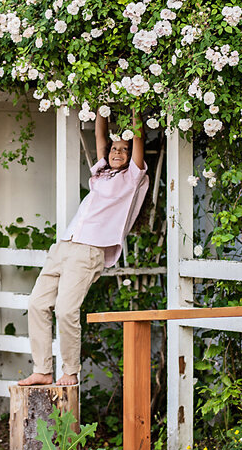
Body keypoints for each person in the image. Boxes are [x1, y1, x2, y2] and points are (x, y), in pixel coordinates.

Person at [18, 112, 149, 386]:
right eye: (114, 149)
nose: (118, 153)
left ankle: (70, 371)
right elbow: (100, 136)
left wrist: (136, 107)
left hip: (89, 249)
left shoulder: (131, 179)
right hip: (66, 244)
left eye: (124, 150)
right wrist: (101, 106)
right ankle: (42, 370)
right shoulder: (101, 173)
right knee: (37, 303)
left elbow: (137, 139)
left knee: (66, 310)